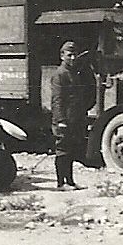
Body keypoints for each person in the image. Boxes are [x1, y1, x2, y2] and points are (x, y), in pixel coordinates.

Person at [50, 41, 95, 189]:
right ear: (62, 56)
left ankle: (70, 182)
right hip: (64, 120)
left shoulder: (74, 73)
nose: (73, 58)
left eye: (75, 55)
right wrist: (61, 120)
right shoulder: (60, 74)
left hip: (74, 119)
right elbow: (57, 100)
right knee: (62, 151)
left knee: (70, 150)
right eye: (69, 55)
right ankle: (60, 183)